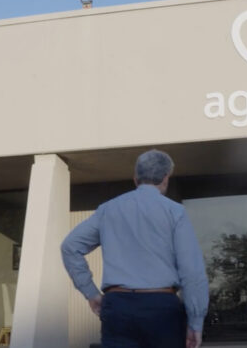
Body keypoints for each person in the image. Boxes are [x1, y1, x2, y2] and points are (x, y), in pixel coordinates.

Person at [61, 149, 209, 348]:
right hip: (162, 308)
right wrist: (196, 321)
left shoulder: (108, 210)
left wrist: (91, 293)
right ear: (166, 178)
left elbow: (70, 246)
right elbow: (192, 271)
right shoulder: (175, 212)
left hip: (118, 306)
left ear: (135, 178)